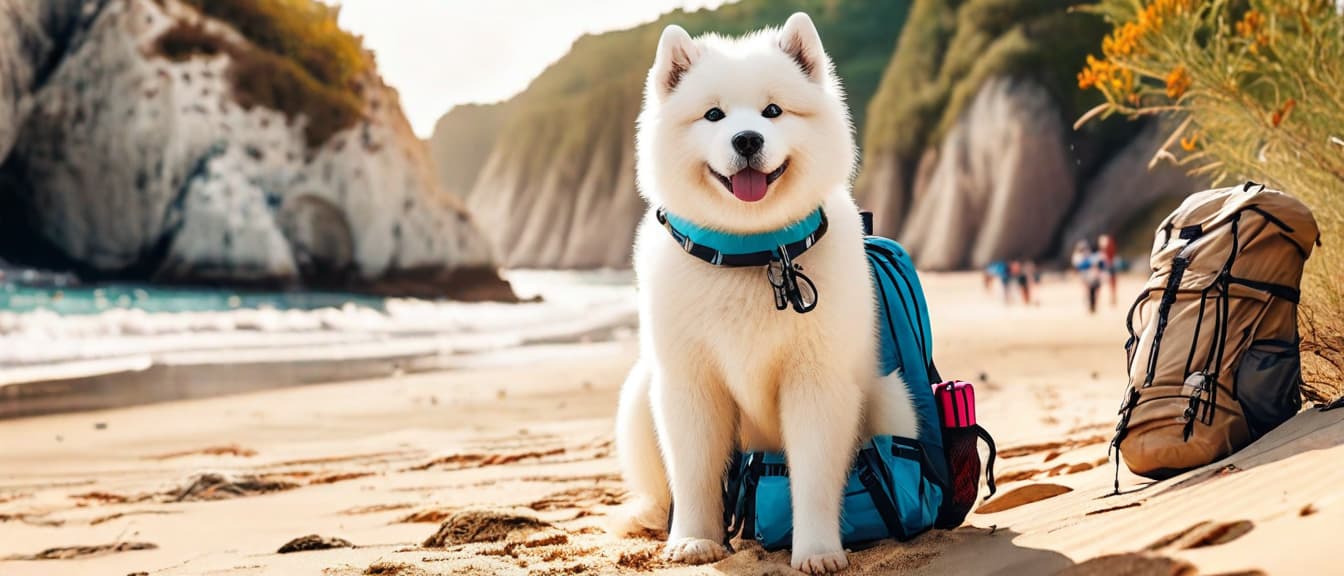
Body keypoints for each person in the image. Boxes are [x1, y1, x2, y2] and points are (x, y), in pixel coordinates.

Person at [1072, 240, 1105, 314]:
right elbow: (1079, 266)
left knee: (1093, 291)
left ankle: (1093, 305)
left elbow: (1101, 264)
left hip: (1092, 276)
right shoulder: (1077, 256)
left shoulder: (1092, 255)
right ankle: (1090, 305)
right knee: (1088, 291)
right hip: (1086, 276)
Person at [1098, 234, 1118, 307]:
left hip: (1108, 264)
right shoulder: (1108, 243)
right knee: (1107, 283)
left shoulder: (1107, 243)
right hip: (1107, 264)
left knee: (1110, 283)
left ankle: (1112, 299)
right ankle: (1112, 299)